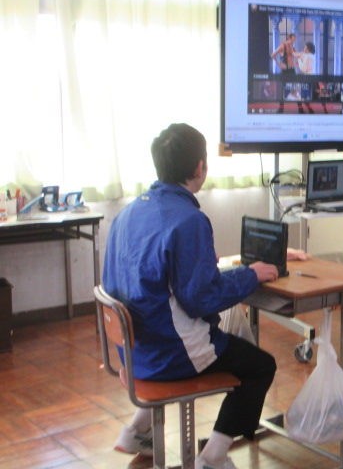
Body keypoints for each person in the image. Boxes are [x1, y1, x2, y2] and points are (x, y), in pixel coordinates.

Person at [103, 123, 309, 469]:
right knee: (260, 366)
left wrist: (222, 271)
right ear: (200, 168)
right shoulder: (189, 220)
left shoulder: (127, 213)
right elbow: (202, 299)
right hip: (172, 354)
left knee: (230, 333)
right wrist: (251, 274)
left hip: (135, 352)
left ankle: (137, 431)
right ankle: (212, 457)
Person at [271, 34, 297, 113]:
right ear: (289, 38)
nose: (294, 41)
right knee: (282, 89)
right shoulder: (283, 46)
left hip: (292, 70)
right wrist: (279, 64)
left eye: (295, 39)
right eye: (293, 39)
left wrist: (296, 65)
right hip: (285, 71)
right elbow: (273, 55)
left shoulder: (293, 48)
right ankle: (281, 108)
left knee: (295, 87)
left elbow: (298, 56)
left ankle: (301, 108)